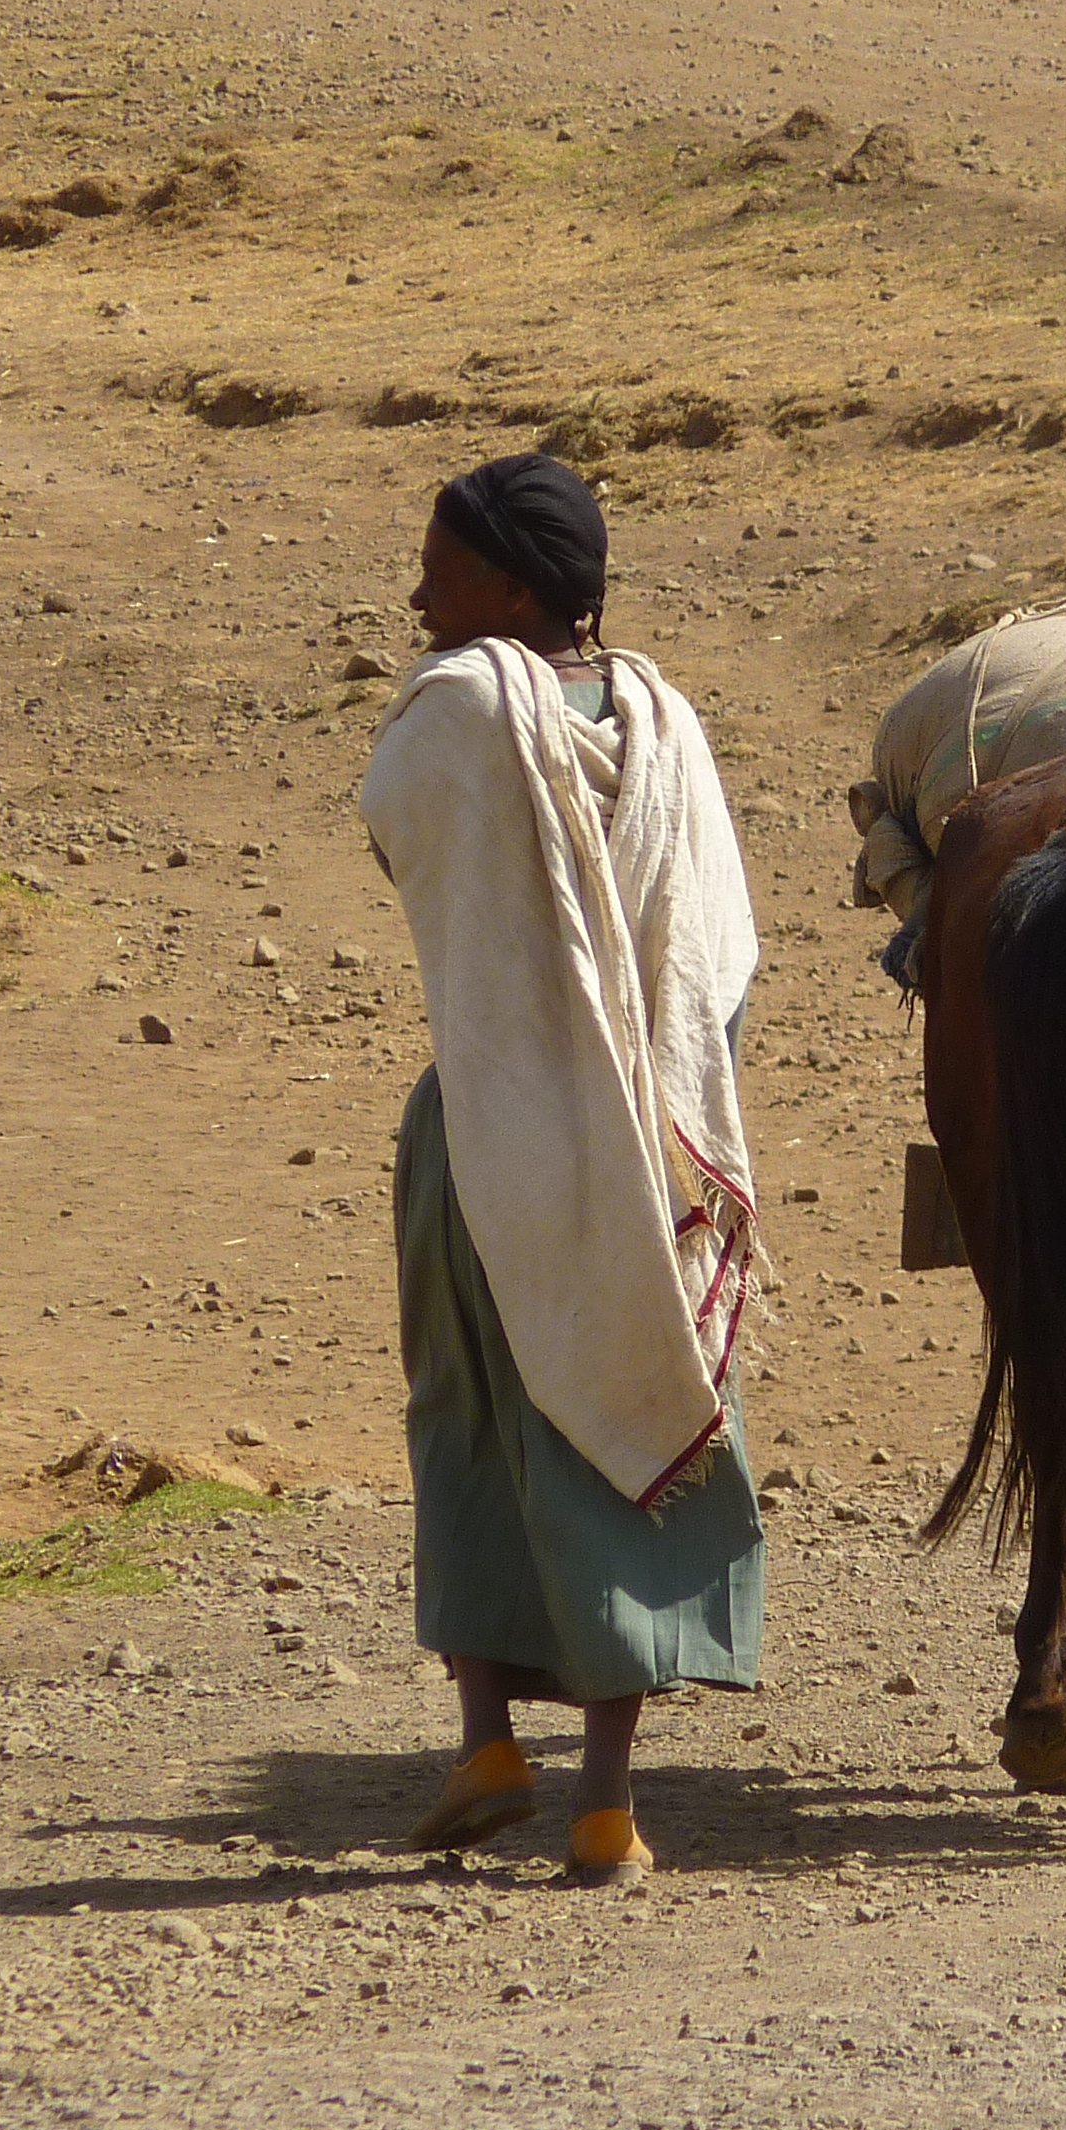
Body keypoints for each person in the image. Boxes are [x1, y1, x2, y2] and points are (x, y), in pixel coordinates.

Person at [357, 455, 767, 1887]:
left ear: (511, 587)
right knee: (620, 1421)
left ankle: (485, 1741)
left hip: (486, 1132)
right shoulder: (670, 722)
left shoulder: (458, 709)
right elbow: (720, 958)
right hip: (655, 1150)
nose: (418, 599)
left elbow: (398, 841)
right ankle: (606, 1801)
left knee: (469, 1415)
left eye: (441, 573)